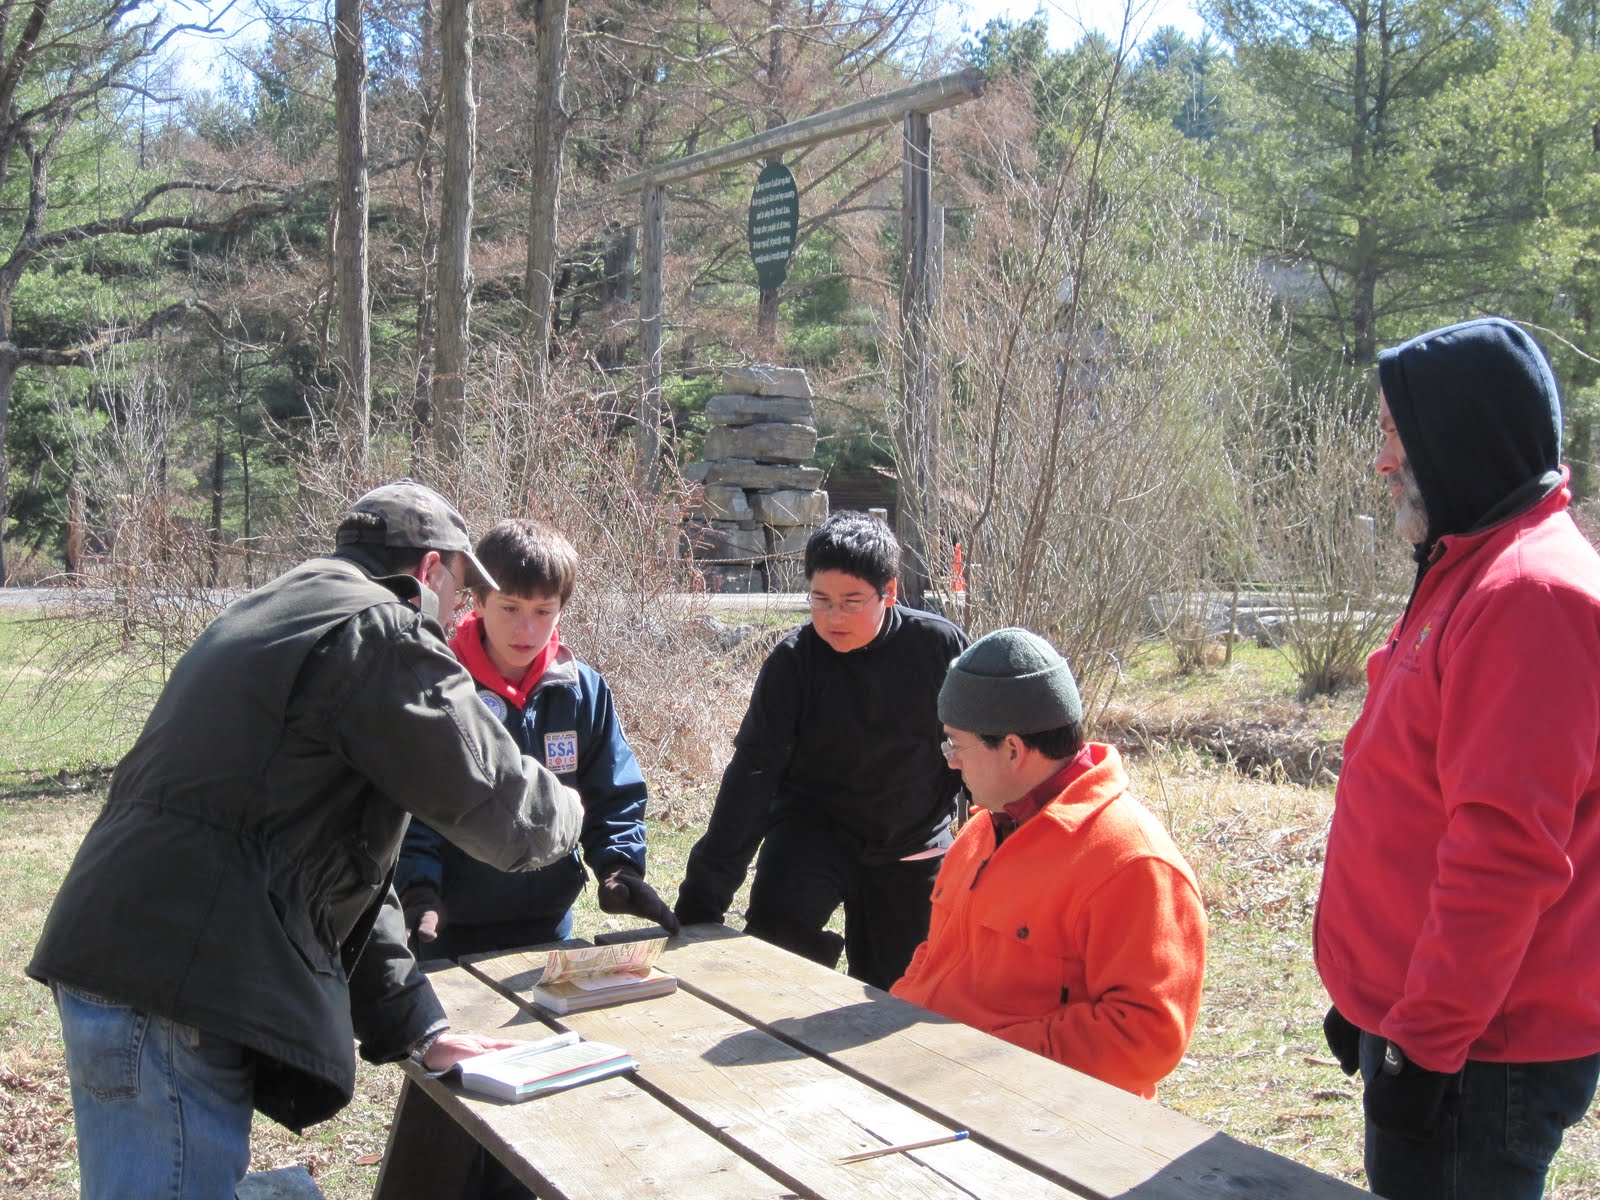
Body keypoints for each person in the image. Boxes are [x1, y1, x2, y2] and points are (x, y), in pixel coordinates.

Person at [28, 480, 586, 1200]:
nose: (458, 611)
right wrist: (568, 810)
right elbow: (497, 805)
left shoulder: (277, 612)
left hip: (126, 960)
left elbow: (340, 872)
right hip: (169, 984)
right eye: (459, 588)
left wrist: (415, 1025)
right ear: (430, 570)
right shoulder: (379, 631)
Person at [1315, 316, 1600, 1200]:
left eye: (1396, 432)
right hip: (1437, 1031)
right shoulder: (1470, 566)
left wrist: (1420, 1041)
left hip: (1480, 1056)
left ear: (1458, 433)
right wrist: (1368, 995)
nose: (1381, 461)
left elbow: (1503, 854)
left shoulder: (1529, 596)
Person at [892, 627, 1206, 1099]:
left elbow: (1145, 1038)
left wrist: (981, 1059)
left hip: (1045, 1124)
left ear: (1014, 750)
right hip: (938, 1085)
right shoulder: (985, 828)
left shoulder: (1133, 863)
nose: (951, 762)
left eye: (956, 745)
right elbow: (934, 961)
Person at [673, 510, 968, 990]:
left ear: (888, 592)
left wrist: (986, 856)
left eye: (852, 601)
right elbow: (752, 777)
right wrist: (700, 903)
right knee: (773, 965)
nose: (834, 617)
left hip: (911, 840)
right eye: (820, 600)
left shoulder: (939, 648)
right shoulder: (793, 662)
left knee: (904, 990)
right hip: (812, 832)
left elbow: (974, 756)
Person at [396, 518, 677, 958]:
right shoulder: (438, 688)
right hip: (444, 929)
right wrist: (417, 891)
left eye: (543, 612)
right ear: (479, 601)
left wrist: (619, 870)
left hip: (549, 927)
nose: (525, 630)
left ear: (561, 608)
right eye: (510, 608)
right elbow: (412, 807)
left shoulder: (582, 690)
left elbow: (614, 793)